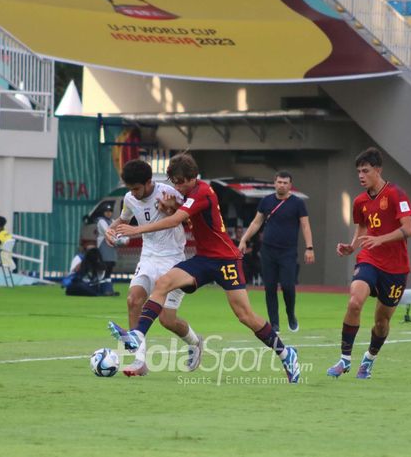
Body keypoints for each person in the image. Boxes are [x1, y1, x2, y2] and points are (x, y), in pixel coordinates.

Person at [110, 153, 301, 384]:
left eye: (182, 181)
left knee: (245, 315)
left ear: (194, 178)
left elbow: (174, 220)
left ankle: (284, 353)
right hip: (203, 259)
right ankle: (137, 335)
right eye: (175, 181)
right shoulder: (186, 193)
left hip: (226, 260)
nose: (178, 186)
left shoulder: (203, 192)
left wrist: (137, 230)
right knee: (163, 283)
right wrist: (173, 205)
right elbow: (181, 212)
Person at [104, 159, 203, 377]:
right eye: (130, 188)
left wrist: (172, 207)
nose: (133, 192)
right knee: (133, 300)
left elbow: (191, 219)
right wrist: (110, 231)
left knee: (167, 320)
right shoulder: (130, 198)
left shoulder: (169, 192)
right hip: (148, 257)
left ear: (149, 182)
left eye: (137, 188)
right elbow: (123, 219)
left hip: (173, 260)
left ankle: (195, 343)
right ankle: (139, 361)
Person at [327, 147, 411, 379]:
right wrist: (352, 246)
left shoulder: (397, 194)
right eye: (358, 171)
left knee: (381, 322)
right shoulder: (359, 201)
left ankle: (368, 360)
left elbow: (409, 229)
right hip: (369, 259)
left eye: (365, 171)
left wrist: (381, 239)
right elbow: (363, 227)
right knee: (355, 302)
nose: (361, 176)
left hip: (396, 268)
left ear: (378, 170)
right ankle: (344, 360)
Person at [238, 171, 315, 333]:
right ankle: (274, 323)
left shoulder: (297, 203)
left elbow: (305, 226)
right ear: (275, 183)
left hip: (288, 251)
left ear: (290, 185)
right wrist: (244, 239)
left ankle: (291, 315)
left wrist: (309, 248)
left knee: (288, 286)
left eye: (285, 183)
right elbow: (256, 222)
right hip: (268, 251)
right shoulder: (266, 201)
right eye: (279, 182)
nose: (282, 185)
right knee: (270, 287)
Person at [96, 205, 118, 296]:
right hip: (104, 244)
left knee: (110, 267)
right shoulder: (101, 221)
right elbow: (107, 231)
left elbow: (117, 232)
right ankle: (102, 289)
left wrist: (122, 238)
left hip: (111, 245)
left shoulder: (112, 221)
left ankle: (108, 289)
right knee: (104, 267)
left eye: (110, 211)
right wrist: (119, 238)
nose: (108, 213)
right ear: (103, 212)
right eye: (106, 211)